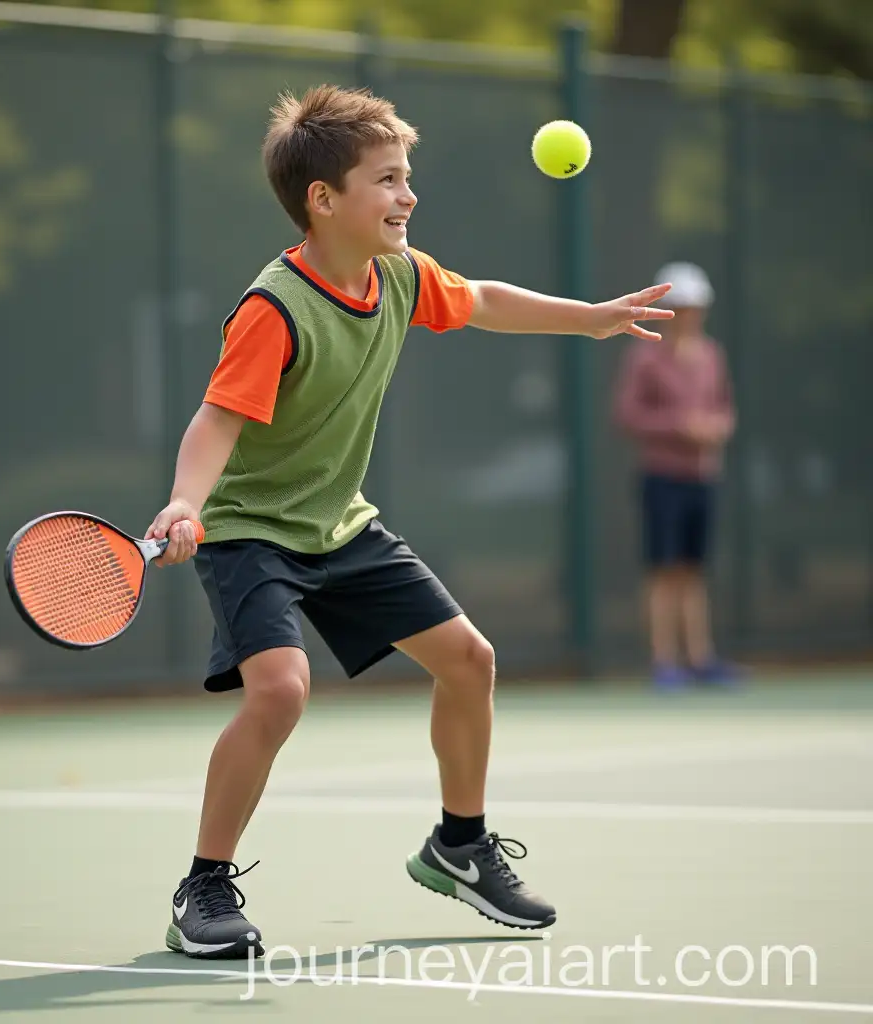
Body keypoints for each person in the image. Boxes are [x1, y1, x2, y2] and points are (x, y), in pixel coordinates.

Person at [145, 84, 674, 960]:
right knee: (279, 691)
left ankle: (459, 846)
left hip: (339, 523)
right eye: (387, 180)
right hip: (250, 530)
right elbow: (218, 418)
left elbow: (483, 300)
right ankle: (202, 887)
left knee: (469, 661)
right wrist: (185, 503)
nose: (409, 196)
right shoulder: (274, 307)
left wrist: (589, 321)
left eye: (407, 176)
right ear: (324, 200)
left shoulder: (399, 274)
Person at [612, 261, 740, 689]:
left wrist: (716, 428)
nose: (687, 315)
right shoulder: (644, 357)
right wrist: (678, 426)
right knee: (663, 569)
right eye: (680, 307)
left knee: (693, 569)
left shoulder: (712, 355)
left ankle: (701, 658)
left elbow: (724, 409)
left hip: (702, 477)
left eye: (693, 307)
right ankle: (663, 660)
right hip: (661, 476)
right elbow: (627, 413)